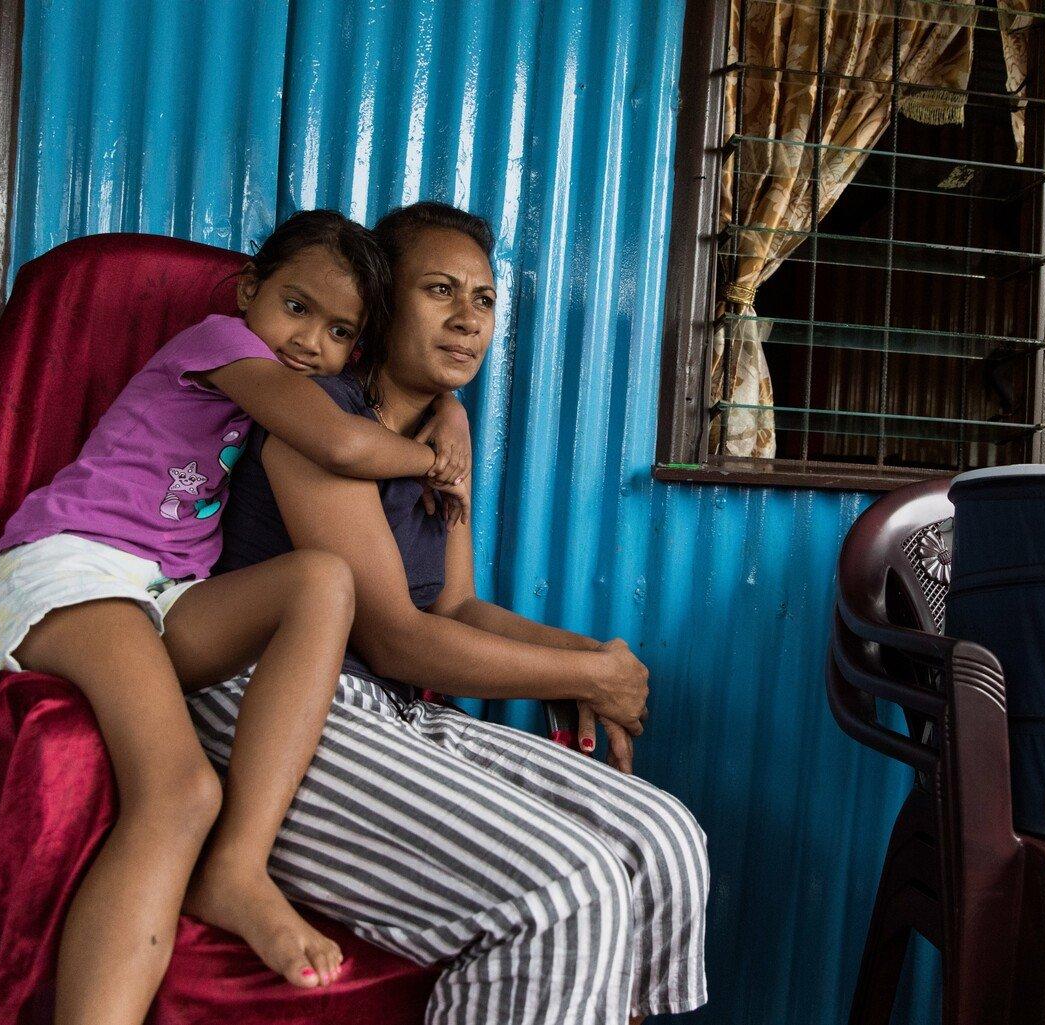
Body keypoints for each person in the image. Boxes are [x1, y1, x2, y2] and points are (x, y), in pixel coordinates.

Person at [190, 201, 709, 1025]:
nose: (469, 318)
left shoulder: (442, 439)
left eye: (485, 299)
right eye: (441, 290)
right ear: (384, 303)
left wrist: (600, 661)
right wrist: (587, 674)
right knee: (565, 886)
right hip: (277, 710)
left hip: (385, 713)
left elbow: (457, 606)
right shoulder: (320, 426)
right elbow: (395, 636)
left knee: (663, 839)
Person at [0, 210, 473, 1025]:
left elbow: (370, 407)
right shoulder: (219, 343)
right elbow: (344, 446)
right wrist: (435, 458)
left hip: (161, 594)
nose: (310, 341)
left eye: (341, 330)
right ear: (249, 292)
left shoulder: (296, 383)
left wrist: (447, 408)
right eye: (297, 307)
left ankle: (237, 864)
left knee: (322, 579)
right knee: (179, 792)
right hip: (74, 568)